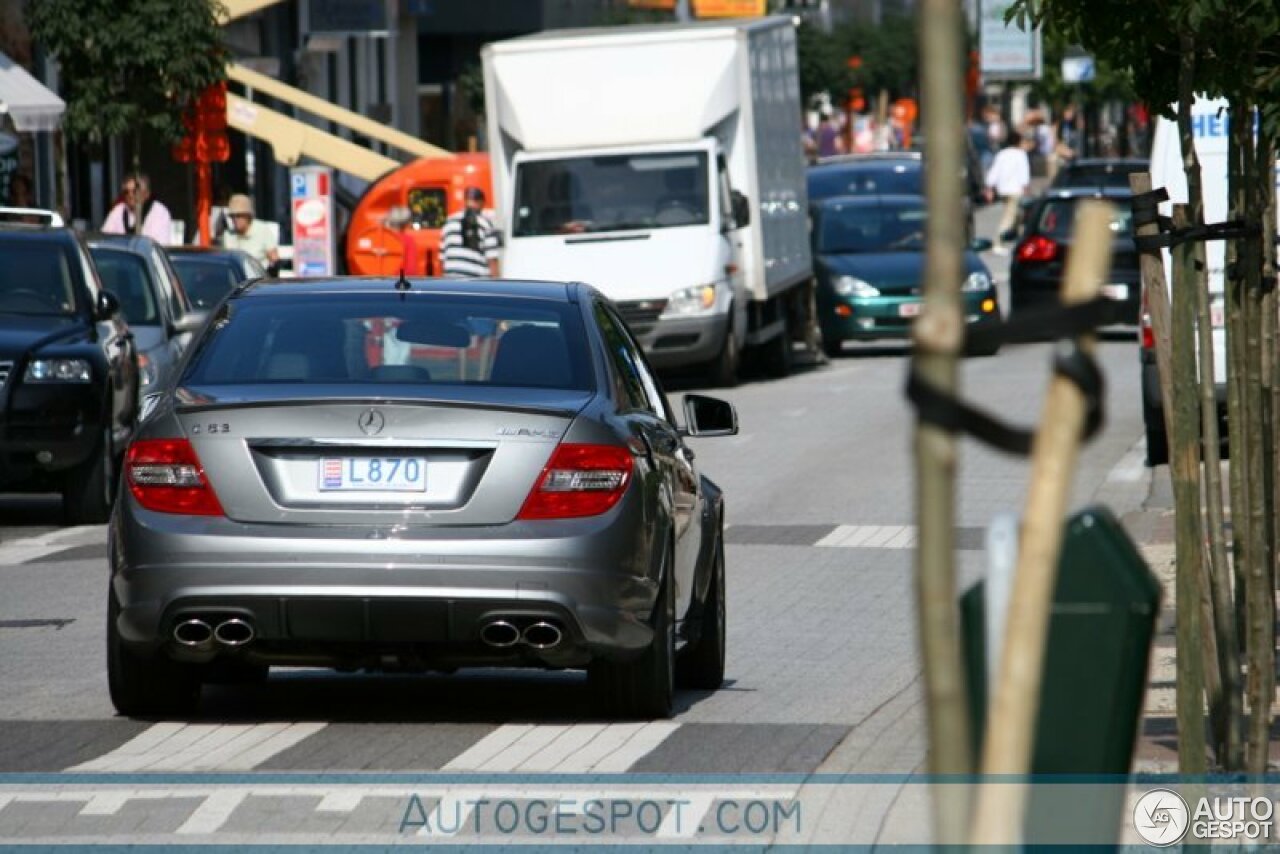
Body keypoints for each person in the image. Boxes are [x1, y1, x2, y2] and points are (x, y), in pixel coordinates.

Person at [984, 130, 1034, 254]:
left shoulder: (1002, 154)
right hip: (1015, 189)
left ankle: (1013, 239)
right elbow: (1024, 173)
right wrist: (1026, 187)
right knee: (1010, 217)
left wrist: (989, 187)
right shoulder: (1020, 154)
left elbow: (994, 171)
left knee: (1014, 215)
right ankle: (999, 241)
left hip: (1003, 189)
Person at [441, 187, 499, 278]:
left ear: (465, 201)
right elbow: (492, 260)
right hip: (476, 282)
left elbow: (442, 258)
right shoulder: (485, 224)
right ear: (481, 203)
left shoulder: (449, 222)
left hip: (451, 280)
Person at [102, 174, 172, 244]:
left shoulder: (159, 212)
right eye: (126, 192)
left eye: (134, 191)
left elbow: (158, 244)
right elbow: (105, 239)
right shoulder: (119, 210)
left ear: (147, 194)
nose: (130, 195)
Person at [220, 193, 279, 269]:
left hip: (259, 276)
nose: (235, 219)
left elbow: (274, 258)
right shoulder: (228, 235)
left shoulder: (262, 230)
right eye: (232, 216)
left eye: (239, 216)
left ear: (248, 216)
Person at [385, 205, 422, 275]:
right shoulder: (408, 241)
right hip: (400, 282)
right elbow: (411, 269)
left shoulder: (382, 239)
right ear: (406, 223)